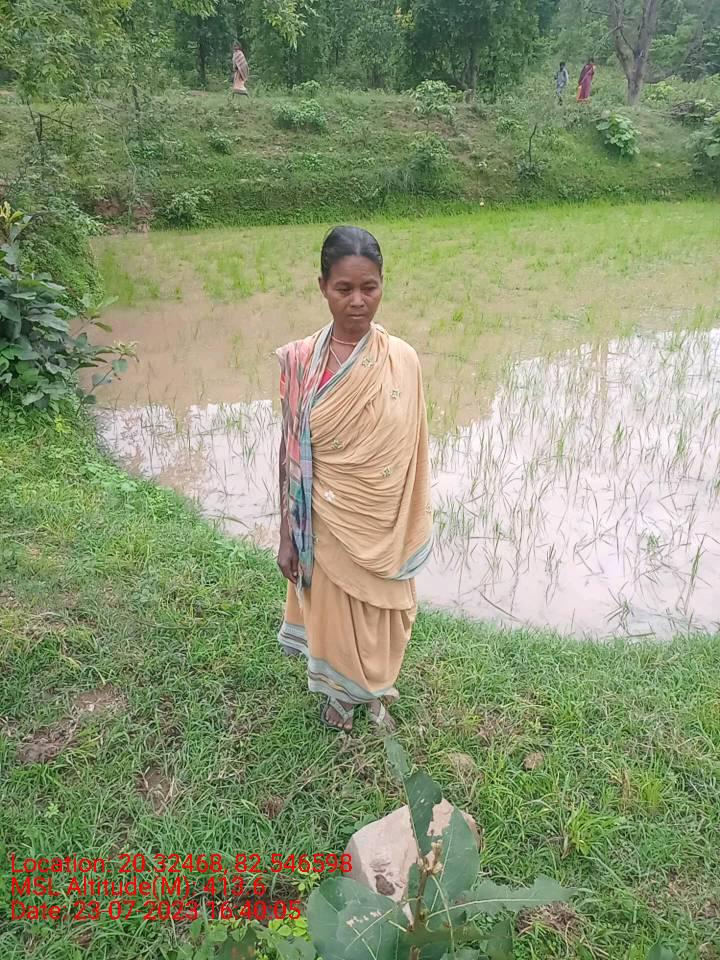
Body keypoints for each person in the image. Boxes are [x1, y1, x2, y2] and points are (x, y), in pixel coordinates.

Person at [275, 226, 433, 733]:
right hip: (326, 519)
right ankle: (340, 698)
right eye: (344, 289)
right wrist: (286, 534)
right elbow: (290, 448)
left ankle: (376, 688)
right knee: (335, 613)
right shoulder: (300, 361)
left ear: (383, 284)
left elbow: (412, 448)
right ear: (322, 286)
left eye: (370, 287)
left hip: (384, 520)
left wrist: (404, 518)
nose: (358, 301)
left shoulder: (403, 360)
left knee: (382, 612)